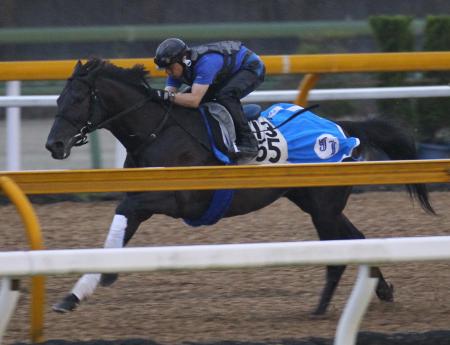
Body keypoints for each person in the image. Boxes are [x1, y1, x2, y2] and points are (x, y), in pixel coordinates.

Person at [151, 38, 266, 160]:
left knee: (225, 95)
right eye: (165, 69)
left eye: (170, 67)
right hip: (225, 73)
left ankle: (249, 143)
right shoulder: (177, 68)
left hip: (251, 67)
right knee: (182, 99)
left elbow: (194, 101)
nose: (168, 72)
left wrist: (168, 96)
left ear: (183, 60)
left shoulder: (206, 63)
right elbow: (168, 99)